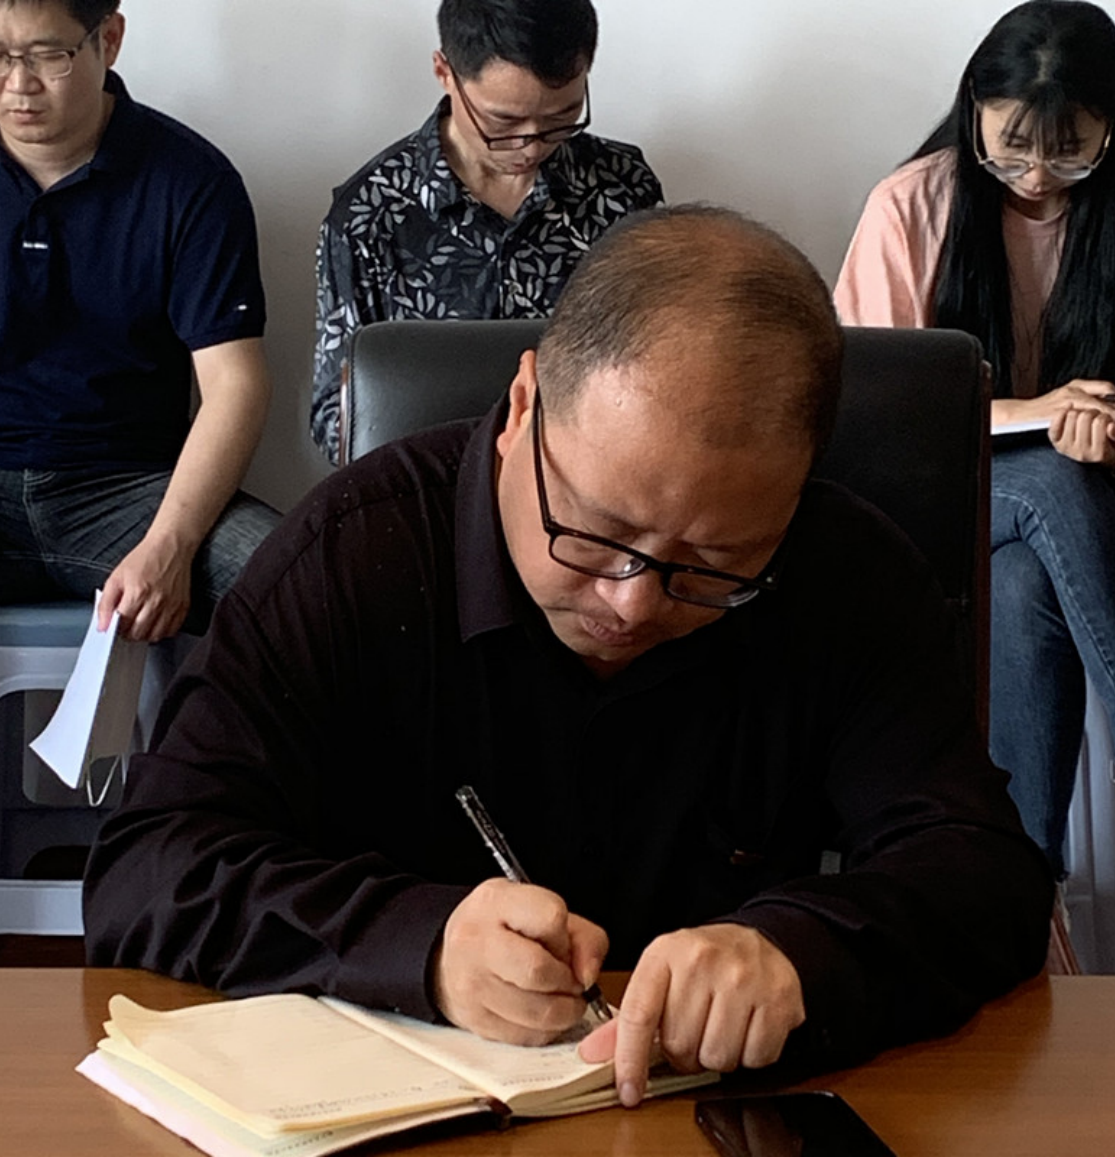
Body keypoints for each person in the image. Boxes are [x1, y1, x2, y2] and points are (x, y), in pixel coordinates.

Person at [85, 206, 1052, 1106]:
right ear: (522, 407)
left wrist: (802, 949)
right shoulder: (353, 554)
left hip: (705, 1110)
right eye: (592, 532)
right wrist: (418, 942)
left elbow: (984, 873)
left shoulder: (846, 575)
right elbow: (147, 869)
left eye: (712, 564)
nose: (631, 601)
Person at [835, 0, 1115, 879]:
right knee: (1048, 484)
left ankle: (1018, 888)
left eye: (1069, 150)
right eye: (1011, 145)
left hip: (1083, 507)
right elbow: (877, 414)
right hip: (932, 493)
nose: (1034, 174)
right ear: (973, 111)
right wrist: (1041, 412)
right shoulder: (910, 205)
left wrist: (1111, 436)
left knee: (1022, 577)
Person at [0, 0, 279, 642]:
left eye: (48, 56)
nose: (18, 84)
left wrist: (170, 544)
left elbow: (235, 384)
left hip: (129, 490)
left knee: (304, 588)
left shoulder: (190, 179)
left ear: (108, 38)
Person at [310, 0, 663, 465]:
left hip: (594, 473)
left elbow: (658, 356)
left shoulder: (622, 188)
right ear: (444, 72)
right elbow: (338, 414)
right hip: (436, 484)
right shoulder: (369, 217)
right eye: (503, 122)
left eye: (562, 119)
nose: (531, 147)